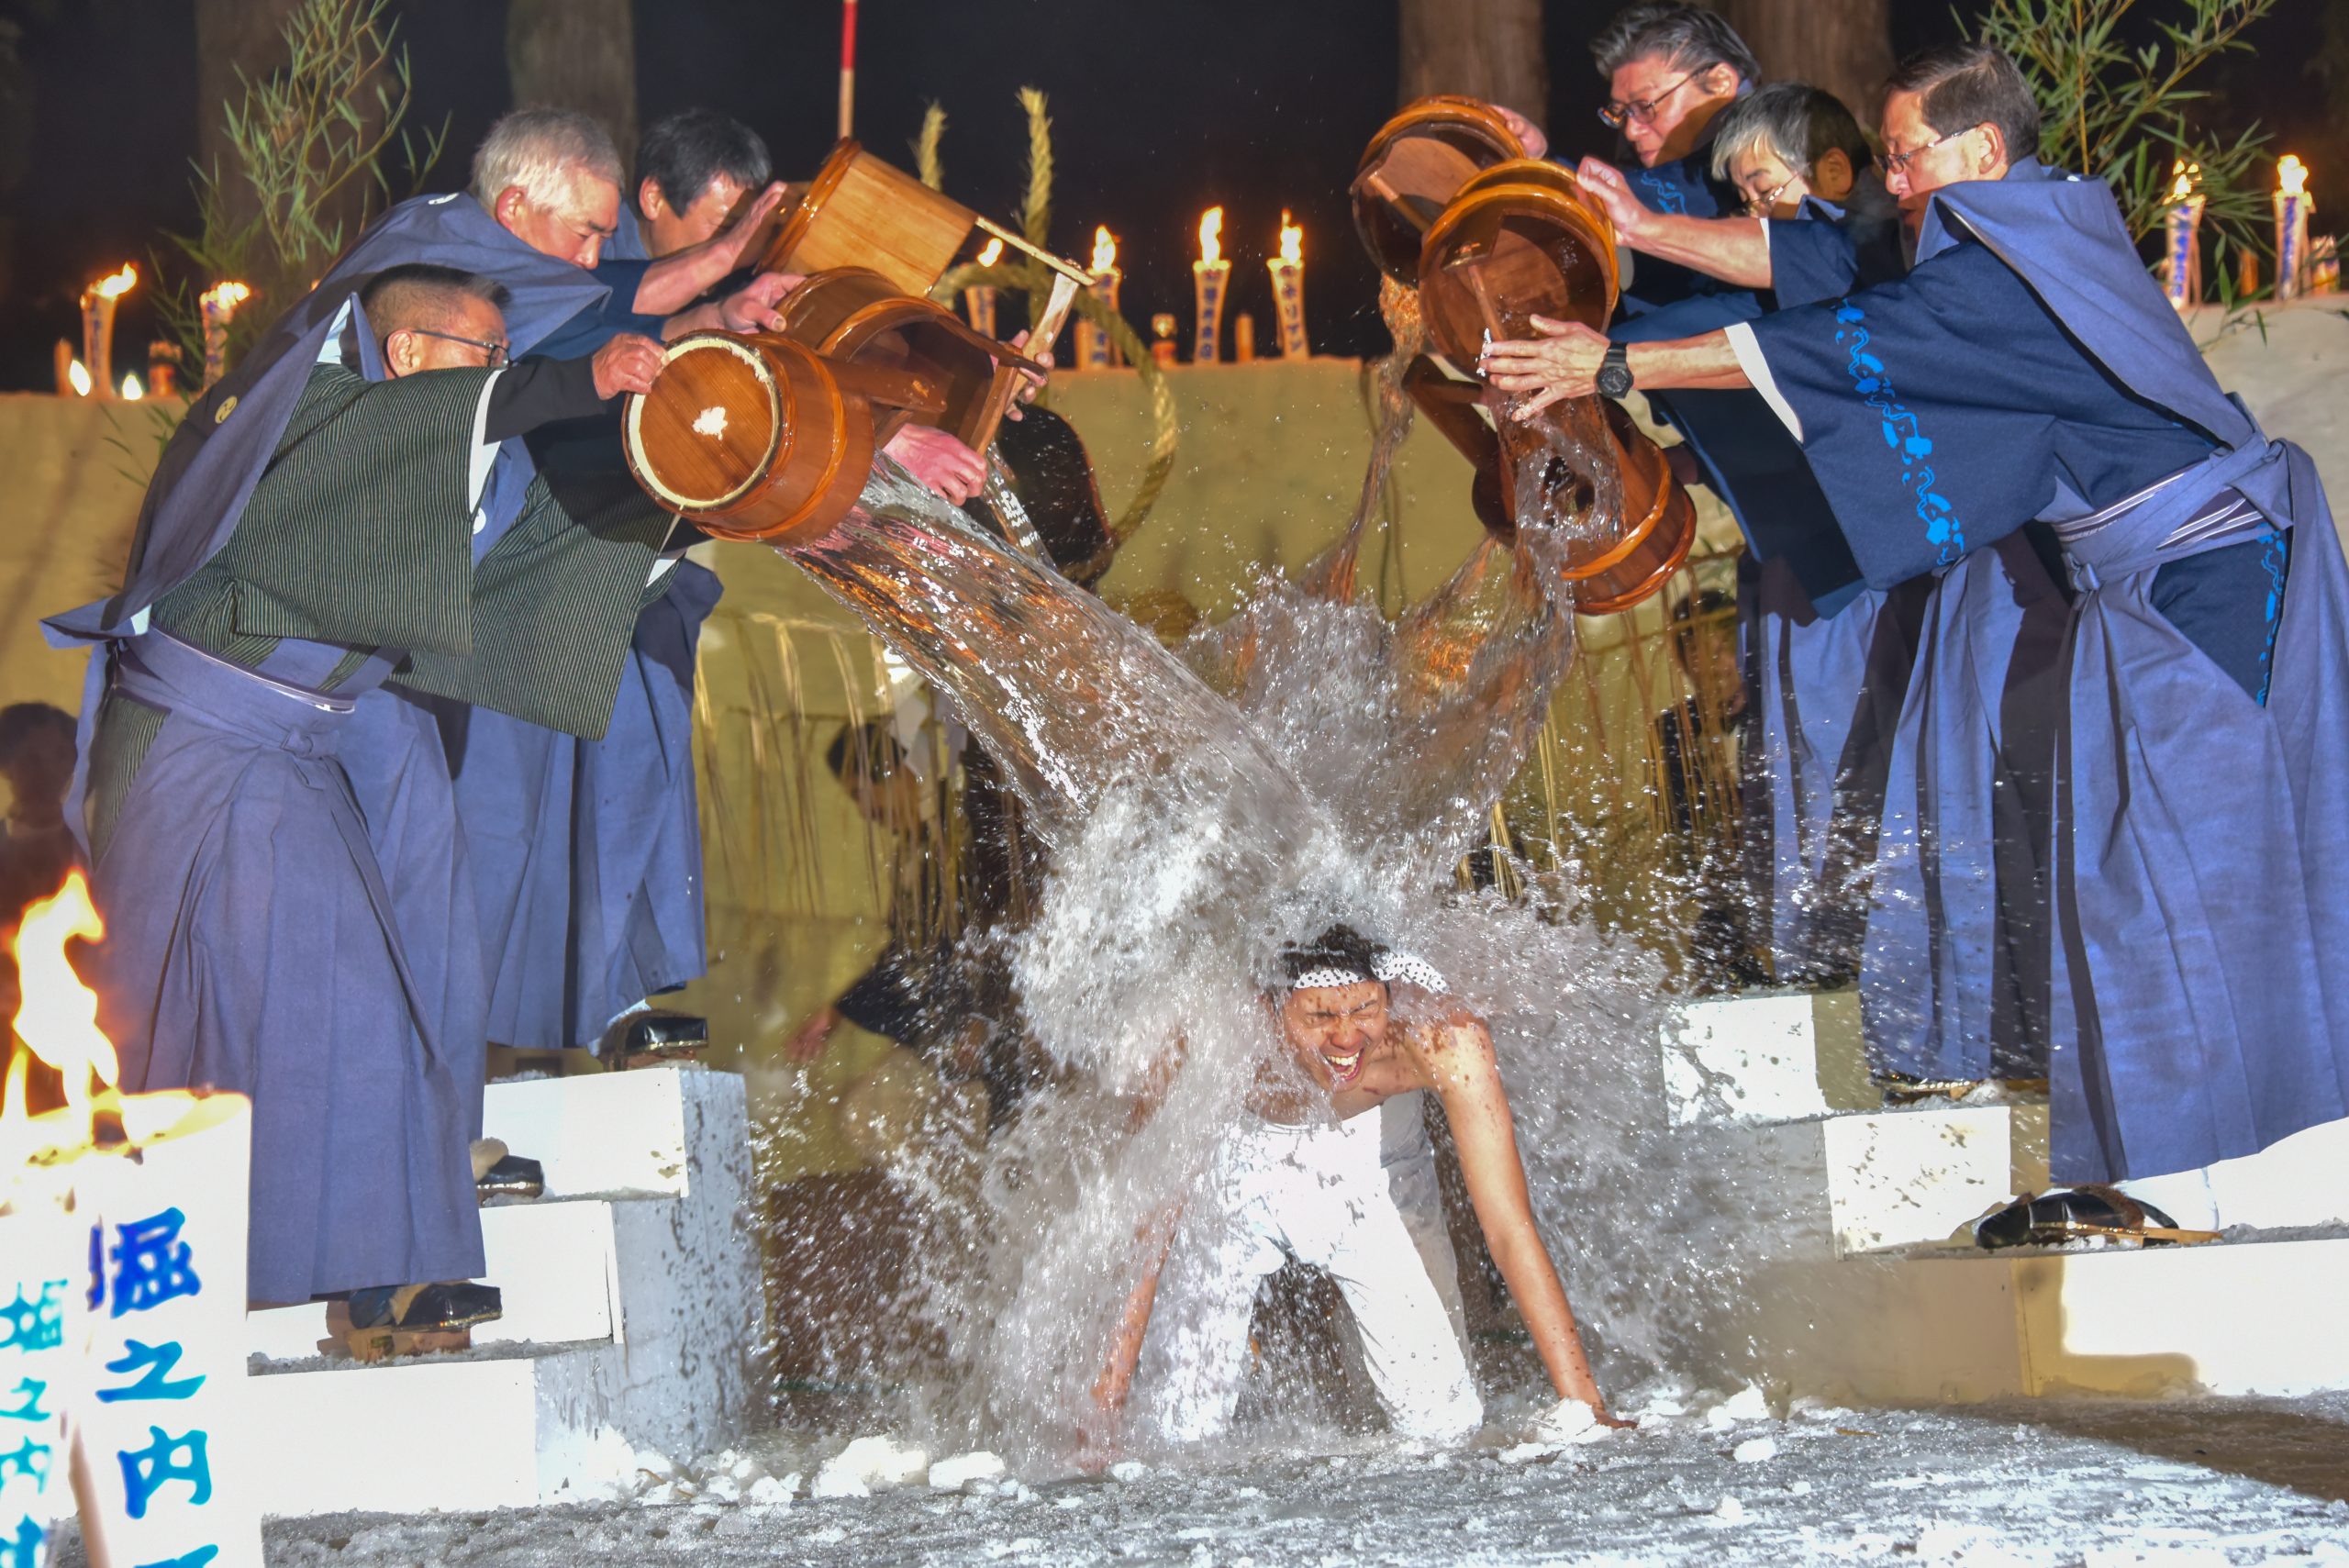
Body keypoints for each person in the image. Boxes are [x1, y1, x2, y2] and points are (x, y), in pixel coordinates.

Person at [1482, 43, 2349, 1217]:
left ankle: (2228, 1171)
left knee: (2177, 869)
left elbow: (1842, 345)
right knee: (2133, 867)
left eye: (1903, 157)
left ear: (1981, 151)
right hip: (2158, 581)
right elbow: (1888, 376)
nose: (1889, 182)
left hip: (2201, 583)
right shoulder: (2032, 237)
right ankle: (2189, 1162)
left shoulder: (2009, 265)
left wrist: (1619, 359)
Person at [56, 260, 660, 1327]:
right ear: (413, 356)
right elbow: (439, 422)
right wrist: (577, 378)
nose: (500, 374)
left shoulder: (399, 470)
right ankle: (182, 1282)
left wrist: (676, 490)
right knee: (199, 1020)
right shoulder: (306, 417)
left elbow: (513, 568)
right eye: (486, 356)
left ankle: (380, 1271)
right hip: (204, 754)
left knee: (363, 1003)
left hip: (293, 758)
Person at [1093, 926, 1620, 1450]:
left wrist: (1587, 1407)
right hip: (1236, 1164)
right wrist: (1101, 1415)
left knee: (1445, 1428)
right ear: (1272, 1009)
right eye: (1320, 1017)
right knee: (1175, 1434)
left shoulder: (1446, 1039)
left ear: (1390, 997)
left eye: (1365, 1010)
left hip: (1372, 1164)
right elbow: (1148, 1225)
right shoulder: (1210, 1042)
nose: (1346, 1039)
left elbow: (1509, 1226)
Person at [0, 702, 81, 1020]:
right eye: (32, 760)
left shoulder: (92, 852)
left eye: (61, 756)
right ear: (6, 764)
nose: (49, 772)